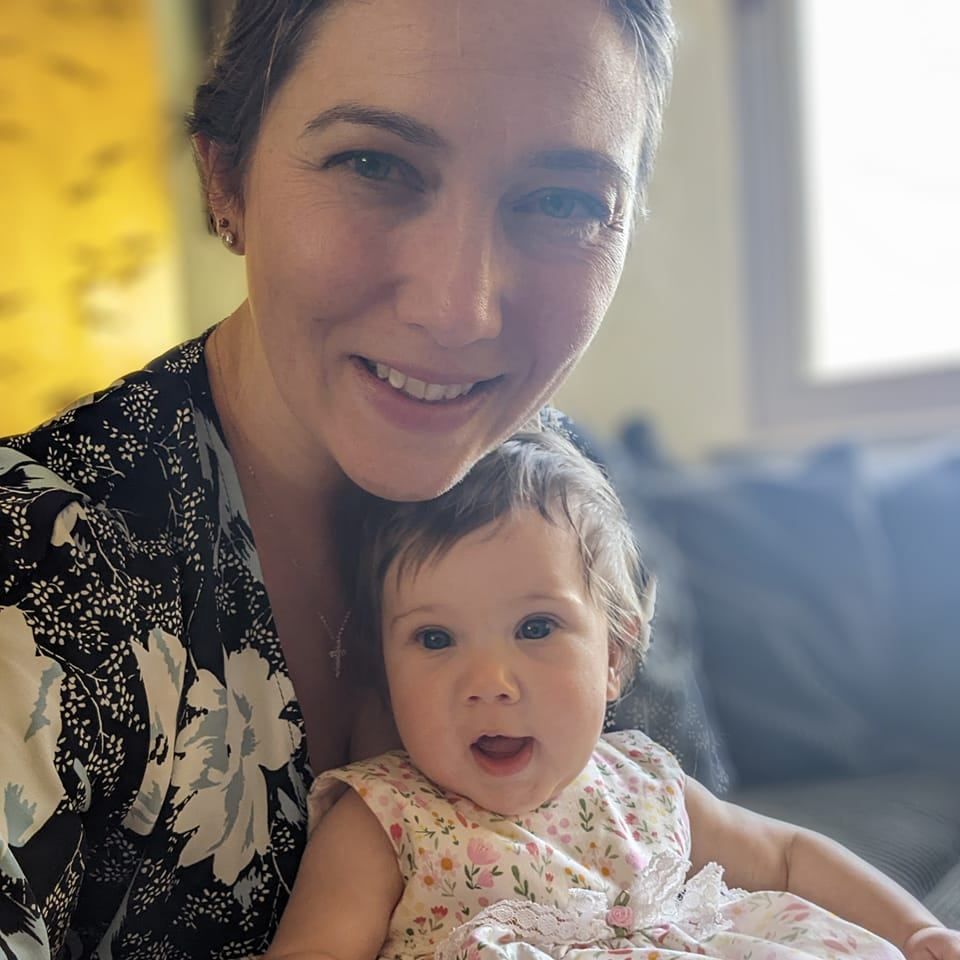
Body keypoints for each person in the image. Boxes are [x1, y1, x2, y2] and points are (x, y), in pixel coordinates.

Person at [0, 0, 678, 956]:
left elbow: (687, 872)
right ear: (225, 178)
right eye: (375, 165)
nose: (459, 309)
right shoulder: (34, 571)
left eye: (564, 201)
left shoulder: (554, 488)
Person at [264, 429, 960, 960]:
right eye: (436, 638)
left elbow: (787, 857)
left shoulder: (645, 785)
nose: (488, 685)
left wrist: (916, 929)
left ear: (615, 657)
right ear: (383, 670)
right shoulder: (385, 820)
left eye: (536, 628)